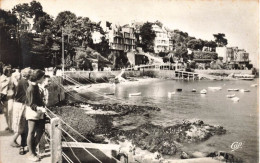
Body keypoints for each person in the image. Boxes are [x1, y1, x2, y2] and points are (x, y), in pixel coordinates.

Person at [25, 69, 46, 162]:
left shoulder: (36, 86)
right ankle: (31, 153)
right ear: (38, 78)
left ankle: (32, 149)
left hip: (38, 111)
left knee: (41, 130)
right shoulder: (31, 88)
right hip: (32, 112)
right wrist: (40, 108)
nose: (44, 79)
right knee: (31, 132)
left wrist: (42, 105)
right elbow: (31, 104)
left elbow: (38, 99)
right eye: (43, 77)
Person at [11, 68, 32, 154]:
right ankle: (13, 140)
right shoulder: (24, 82)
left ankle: (16, 141)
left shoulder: (22, 81)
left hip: (19, 104)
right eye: (30, 74)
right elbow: (28, 94)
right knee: (21, 125)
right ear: (28, 75)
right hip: (20, 105)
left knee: (21, 124)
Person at [0, 66, 12, 131]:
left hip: (9, 96)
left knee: (9, 112)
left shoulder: (10, 78)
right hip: (4, 97)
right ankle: (9, 125)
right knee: (6, 112)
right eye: (10, 72)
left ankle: (10, 126)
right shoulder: (2, 78)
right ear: (6, 72)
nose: (11, 73)